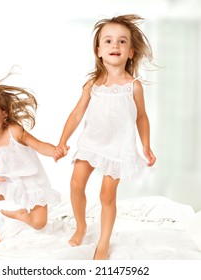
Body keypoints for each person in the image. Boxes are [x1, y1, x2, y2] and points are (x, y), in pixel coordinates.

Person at [56, 14, 157, 260]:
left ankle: (103, 241)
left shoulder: (134, 86)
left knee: (106, 195)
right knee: (76, 184)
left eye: (122, 42)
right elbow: (76, 113)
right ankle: (81, 225)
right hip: (92, 144)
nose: (115, 45)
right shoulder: (92, 84)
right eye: (109, 41)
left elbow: (141, 117)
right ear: (99, 50)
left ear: (131, 52)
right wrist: (62, 141)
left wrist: (146, 146)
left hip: (118, 148)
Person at [0, 71, 62, 243]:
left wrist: (54, 151)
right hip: (7, 181)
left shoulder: (14, 132)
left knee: (39, 224)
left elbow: (39, 145)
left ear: (4, 114)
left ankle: (23, 215)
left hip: (32, 181)